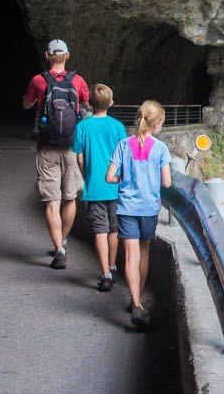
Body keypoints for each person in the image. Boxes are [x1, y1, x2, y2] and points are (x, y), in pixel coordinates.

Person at [22, 39, 90, 269]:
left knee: (52, 201)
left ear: (47, 55)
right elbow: (86, 103)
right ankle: (63, 240)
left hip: (47, 146)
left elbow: (26, 104)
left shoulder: (38, 80)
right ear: (67, 56)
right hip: (72, 146)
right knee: (70, 198)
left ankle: (59, 250)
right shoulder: (78, 81)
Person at [106, 100, 171, 329]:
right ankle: (139, 301)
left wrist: (123, 179)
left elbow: (109, 177)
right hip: (148, 209)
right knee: (143, 254)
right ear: (157, 123)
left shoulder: (124, 144)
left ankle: (135, 303)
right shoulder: (161, 149)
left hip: (127, 208)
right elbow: (167, 181)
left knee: (130, 256)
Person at [71, 83, 123, 291]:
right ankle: (113, 265)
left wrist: (87, 176)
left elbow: (80, 158)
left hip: (94, 189)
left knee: (100, 232)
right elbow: (123, 157)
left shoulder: (82, 127)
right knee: (113, 230)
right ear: (111, 103)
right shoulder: (117, 127)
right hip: (115, 188)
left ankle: (105, 274)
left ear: (90, 103)